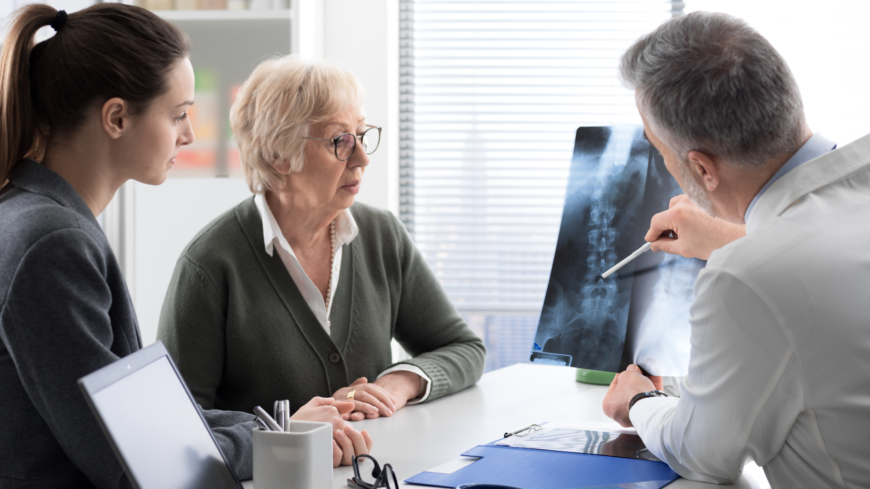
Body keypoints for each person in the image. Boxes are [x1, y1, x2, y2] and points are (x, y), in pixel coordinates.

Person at [0, 5, 367, 488]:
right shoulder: (53, 241)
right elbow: (133, 457)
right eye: (178, 115)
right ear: (116, 118)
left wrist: (283, 427)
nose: (190, 134)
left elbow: (140, 420)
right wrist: (283, 439)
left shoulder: (41, 216)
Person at [601, 11, 870, 487]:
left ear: (703, 170)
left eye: (660, 150)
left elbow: (704, 454)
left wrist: (641, 400)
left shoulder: (743, 278)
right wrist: (735, 235)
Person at [156, 56, 486, 422]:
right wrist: (290, 431)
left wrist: (395, 384)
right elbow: (181, 424)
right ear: (278, 155)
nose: (362, 157)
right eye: (340, 141)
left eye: (361, 135)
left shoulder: (382, 235)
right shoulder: (208, 266)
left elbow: (464, 348)